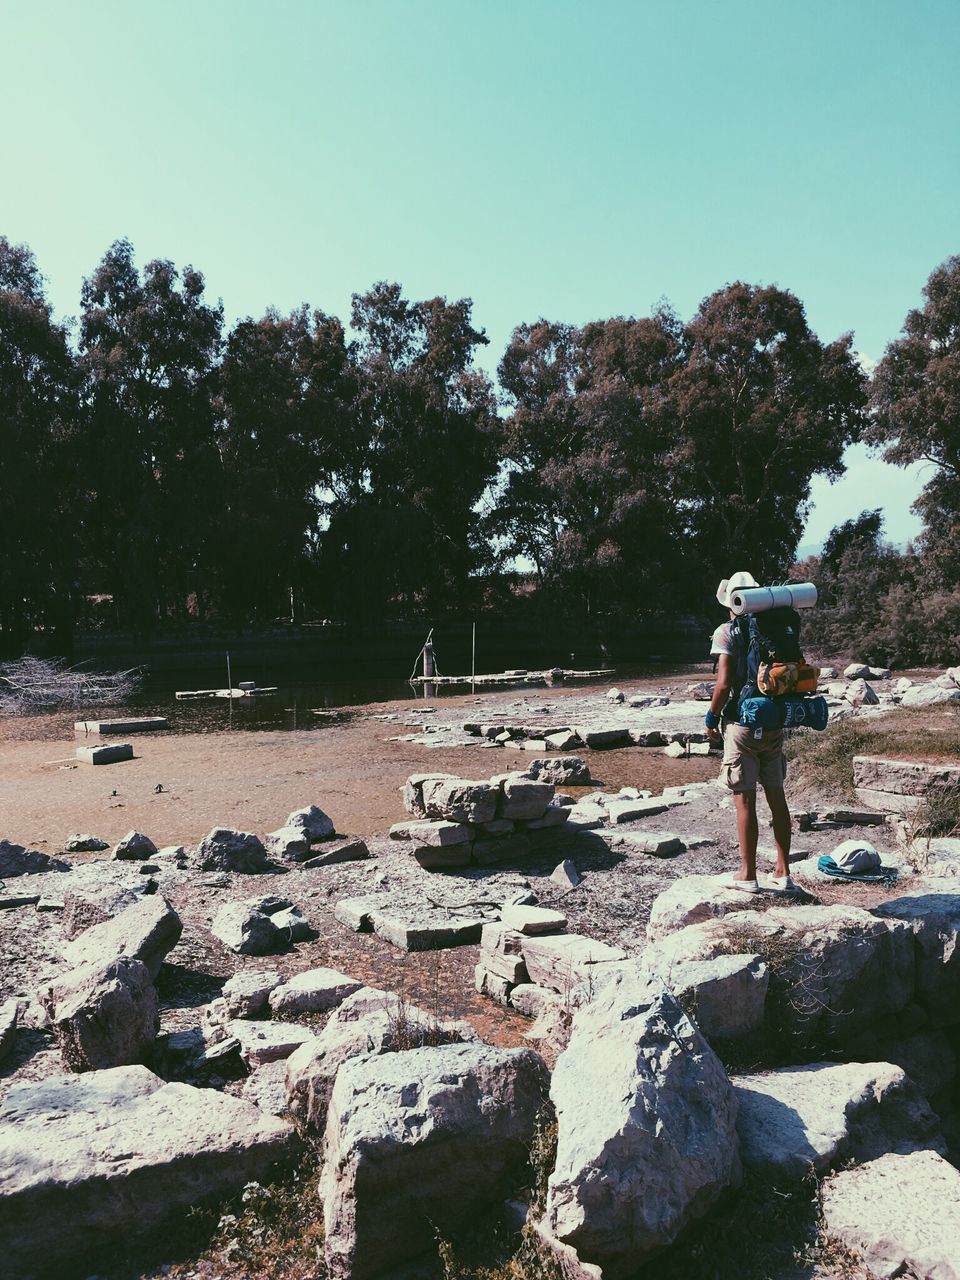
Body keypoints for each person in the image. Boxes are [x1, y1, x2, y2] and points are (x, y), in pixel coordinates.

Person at [704, 571, 794, 893]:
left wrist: (711, 717)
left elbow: (725, 684)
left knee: (745, 800)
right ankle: (783, 872)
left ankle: (748, 874)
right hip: (772, 721)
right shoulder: (771, 629)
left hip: (742, 725)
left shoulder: (726, 631)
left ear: (731, 602)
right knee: (777, 797)